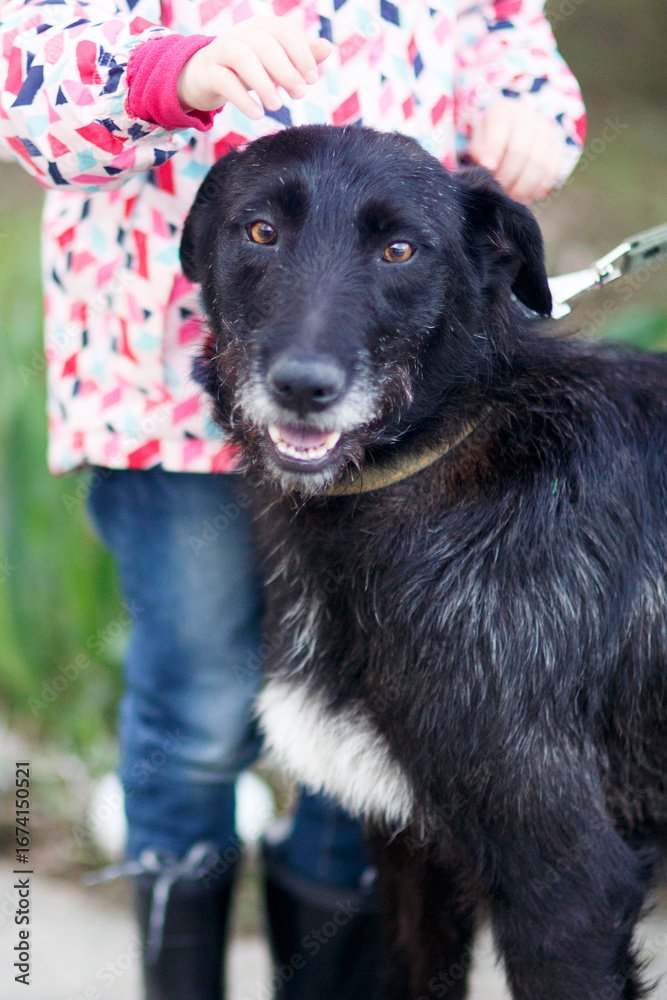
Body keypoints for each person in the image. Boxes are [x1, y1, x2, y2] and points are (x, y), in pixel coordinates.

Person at [0, 1, 586, 997]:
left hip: (392, 419)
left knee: (362, 726)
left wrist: (529, 107)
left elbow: (503, 31)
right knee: (197, 712)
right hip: (163, 408)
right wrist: (173, 70)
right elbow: (25, 87)